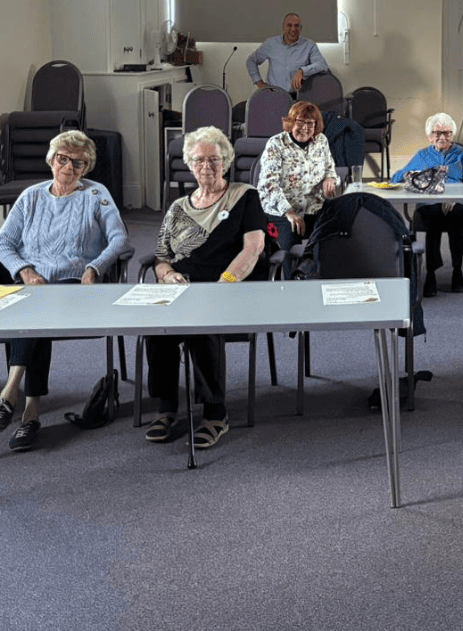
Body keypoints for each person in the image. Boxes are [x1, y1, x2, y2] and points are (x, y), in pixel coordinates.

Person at [0, 131, 130, 452]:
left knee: (38, 307)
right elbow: (4, 242)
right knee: (33, 307)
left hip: (71, 282)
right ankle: (30, 413)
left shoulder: (96, 195)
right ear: (51, 159)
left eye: (78, 162)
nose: (69, 167)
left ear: (86, 168)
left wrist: (93, 267)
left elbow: (119, 239)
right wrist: (24, 270)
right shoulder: (31, 196)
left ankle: (9, 394)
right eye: (63, 159)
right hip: (28, 282)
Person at [144, 127, 269, 450]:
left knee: (202, 324)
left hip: (229, 287)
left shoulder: (244, 195)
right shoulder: (177, 208)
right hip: (182, 288)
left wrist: (222, 284)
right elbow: (161, 258)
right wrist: (168, 275)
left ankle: (215, 413)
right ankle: (167, 407)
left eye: (214, 160)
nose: (207, 167)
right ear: (190, 164)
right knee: (157, 326)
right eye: (199, 160)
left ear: (225, 161)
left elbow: (253, 247)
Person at [391, 112, 463, 296]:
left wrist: (456, 198)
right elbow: (396, 178)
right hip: (430, 199)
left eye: (446, 133)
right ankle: (431, 273)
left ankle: (457, 271)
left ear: (452, 135)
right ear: (430, 137)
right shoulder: (422, 155)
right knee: (433, 219)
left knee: (455, 219)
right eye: (437, 133)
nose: (442, 137)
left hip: (457, 200)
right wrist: (408, 175)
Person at [257, 101, 338, 280]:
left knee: (330, 243)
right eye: (300, 122)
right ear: (291, 121)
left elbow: (330, 167)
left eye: (310, 123)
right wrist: (289, 212)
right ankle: (288, 288)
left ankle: (318, 285)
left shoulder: (321, 141)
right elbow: (268, 185)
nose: (305, 128)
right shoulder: (276, 144)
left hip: (313, 208)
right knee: (287, 253)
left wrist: (330, 178)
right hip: (282, 212)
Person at [246, 12, 329, 93]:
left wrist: (303, 71)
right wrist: (259, 82)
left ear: (300, 29)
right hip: (274, 95)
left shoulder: (309, 45)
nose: (293, 29)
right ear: (283, 27)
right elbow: (251, 60)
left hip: (299, 96)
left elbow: (322, 64)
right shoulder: (271, 44)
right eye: (289, 25)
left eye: (297, 26)